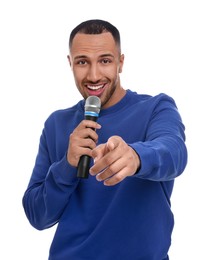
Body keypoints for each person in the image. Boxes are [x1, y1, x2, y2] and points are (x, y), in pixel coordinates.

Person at [22, 19, 187, 260]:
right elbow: (37, 215)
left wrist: (136, 156)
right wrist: (67, 164)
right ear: (70, 63)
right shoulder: (56, 124)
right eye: (82, 62)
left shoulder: (156, 107)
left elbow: (174, 153)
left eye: (105, 60)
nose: (94, 75)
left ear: (120, 62)